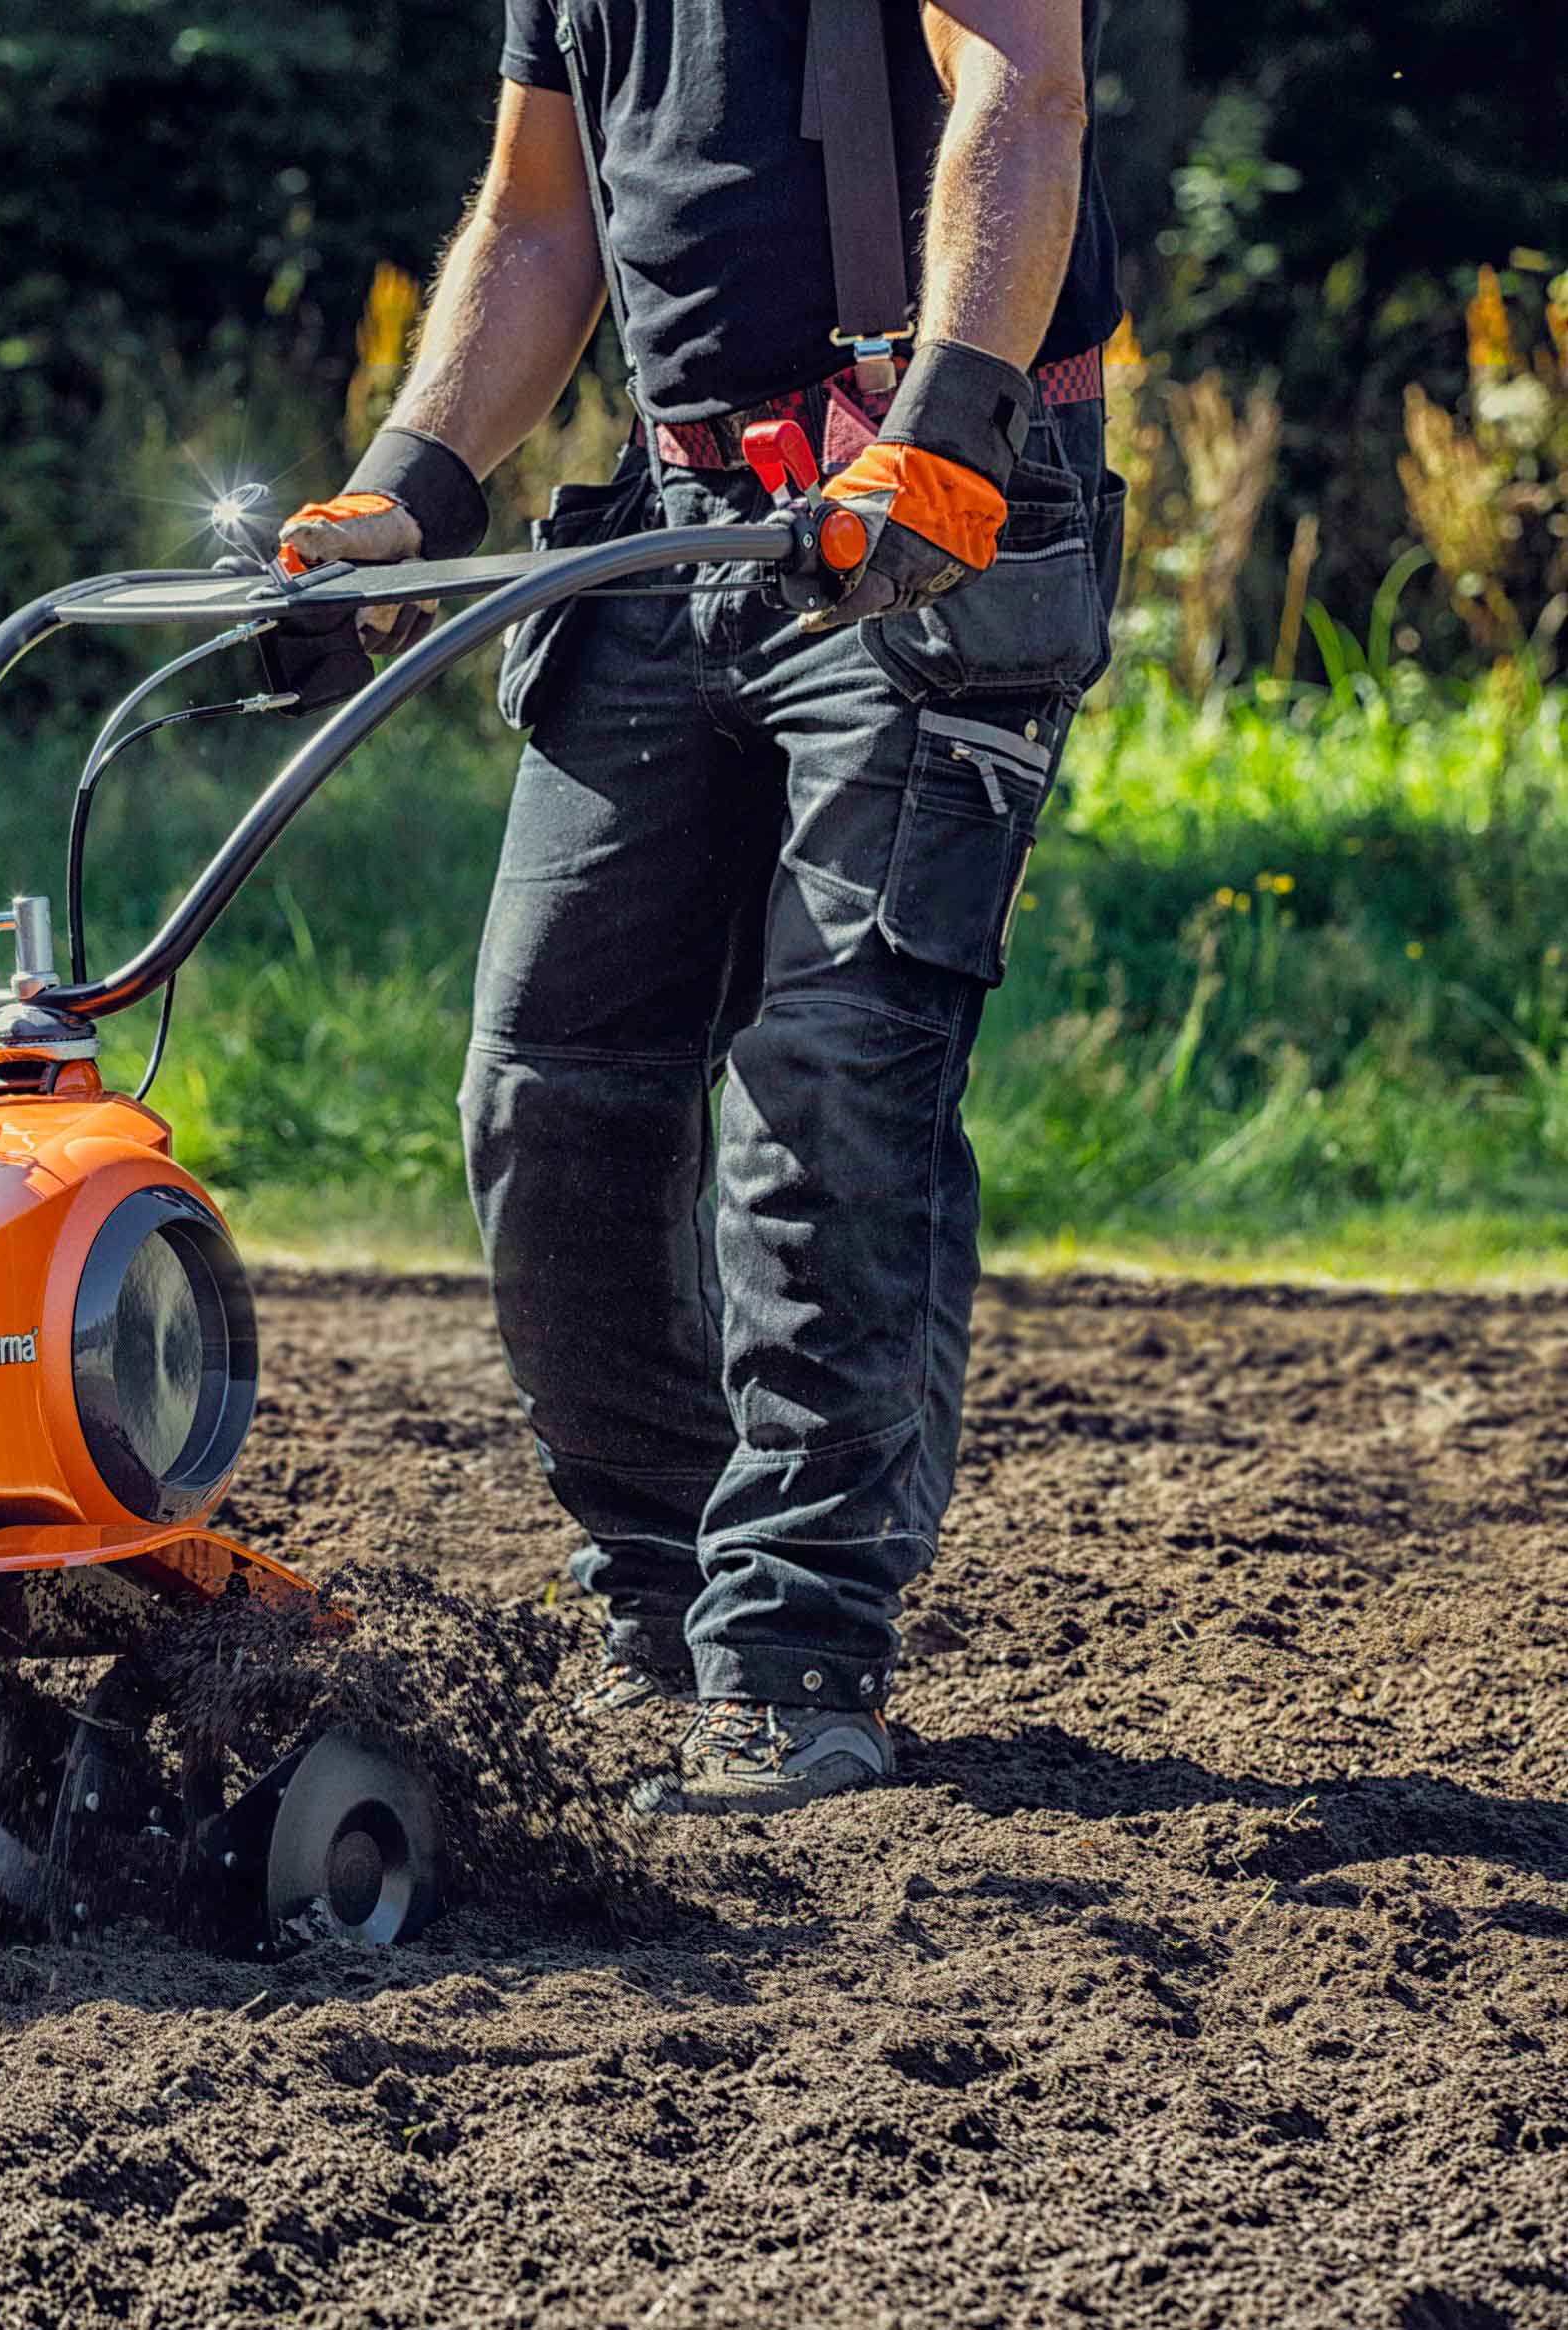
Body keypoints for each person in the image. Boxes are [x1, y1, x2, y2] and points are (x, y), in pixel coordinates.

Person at [278, 0, 1123, 1813]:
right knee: (545, 1081)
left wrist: (948, 423)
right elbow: (537, 222)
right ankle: (661, 1597)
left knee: (828, 1073)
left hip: (939, 506)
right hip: (678, 527)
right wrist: (403, 493)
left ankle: (796, 1647)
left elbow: (1021, 90)